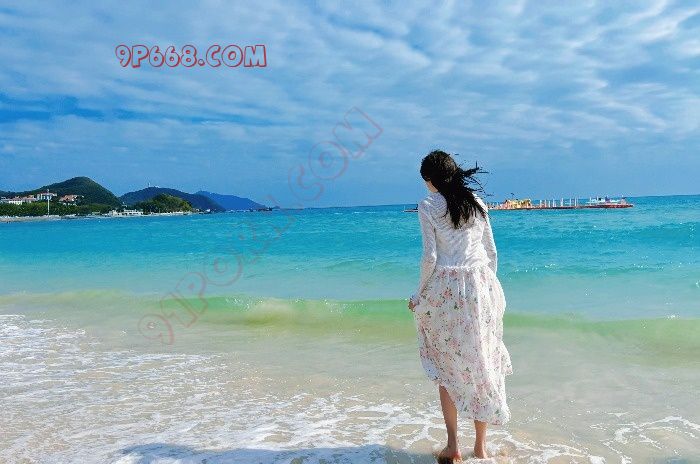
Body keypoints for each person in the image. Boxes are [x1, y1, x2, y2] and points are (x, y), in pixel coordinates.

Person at [408, 150, 513, 462]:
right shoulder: (477, 203)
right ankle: (481, 448)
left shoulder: (428, 205)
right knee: (482, 364)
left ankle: (453, 446)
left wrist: (418, 294)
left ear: (430, 179)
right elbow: (491, 252)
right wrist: (488, 288)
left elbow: (430, 257)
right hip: (481, 286)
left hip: (446, 290)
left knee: (448, 368)